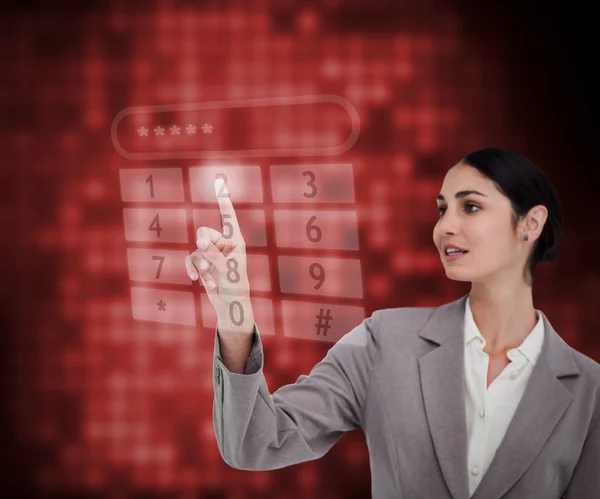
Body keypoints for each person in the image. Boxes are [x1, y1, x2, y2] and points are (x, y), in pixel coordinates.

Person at [184, 148, 600, 499]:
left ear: (530, 223)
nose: (444, 227)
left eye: (470, 206)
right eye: (442, 209)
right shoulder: (381, 340)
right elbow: (256, 443)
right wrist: (233, 308)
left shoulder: (590, 390)